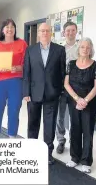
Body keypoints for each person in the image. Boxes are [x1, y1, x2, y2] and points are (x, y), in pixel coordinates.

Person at [23, 23, 66, 165]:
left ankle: (48, 153)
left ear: (51, 33)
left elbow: (61, 72)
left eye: (47, 31)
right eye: (42, 31)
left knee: (50, 125)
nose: (44, 33)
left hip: (52, 94)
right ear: (38, 33)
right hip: (34, 93)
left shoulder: (59, 50)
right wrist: (26, 92)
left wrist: (59, 90)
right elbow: (26, 72)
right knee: (33, 124)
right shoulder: (30, 50)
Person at [64, 37, 96, 173]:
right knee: (74, 129)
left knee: (87, 131)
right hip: (73, 100)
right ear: (78, 49)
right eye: (82, 47)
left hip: (90, 102)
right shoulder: (71, 64)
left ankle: (86, 161)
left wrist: (85, 100)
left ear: (91, 49)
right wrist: (76, 98)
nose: (85, 49)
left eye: (87, 47)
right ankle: (75, 158)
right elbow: (66, 84)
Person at [0, 19, 28, 138]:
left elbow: (28, 64)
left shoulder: (22, 43)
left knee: (14, 111)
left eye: (12, 27)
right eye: (7, 27)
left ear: (15, 29)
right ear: (2, 30)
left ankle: (12, 138)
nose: (9, 29)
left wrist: (18, 68)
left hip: (15, 81)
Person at [56, 21, 79, 154]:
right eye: (67, 31)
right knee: (60, 116)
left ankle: (74, 141)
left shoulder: (81, 48)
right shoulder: (60, 50)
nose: (70, 33)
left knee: (74, 115)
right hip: (61, 88)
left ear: (76, 31)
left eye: (72, 30)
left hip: (76, 88)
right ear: (64, 33)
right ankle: (61, 140)